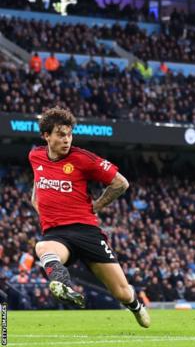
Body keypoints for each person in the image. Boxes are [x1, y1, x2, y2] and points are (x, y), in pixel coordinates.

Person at [29, 106, 150, 328]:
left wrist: (98, 205)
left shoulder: (83, 159)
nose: (67, 140)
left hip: (87, 232)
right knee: (43, 248)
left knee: (121, 293)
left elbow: (121, 183)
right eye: (60, 134)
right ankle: (62, 283)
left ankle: (136, 306)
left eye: (69, 134)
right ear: (46, 135)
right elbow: (37, 184)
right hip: (57, 234)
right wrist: (38, 203)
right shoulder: (35, 156)